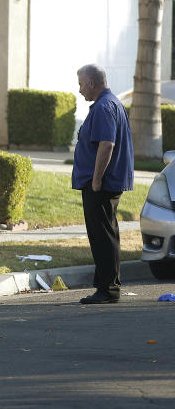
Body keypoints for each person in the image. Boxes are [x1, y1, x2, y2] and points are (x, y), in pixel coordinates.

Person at [72, 64, 134, 305]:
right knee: (107, 233)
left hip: (101, 184)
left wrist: (96, 179)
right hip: (105, 182)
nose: (79, 90)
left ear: (91, 83)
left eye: (80, 84)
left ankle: (108, 289)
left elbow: (107, 144)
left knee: (102, 236)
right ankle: (107, 285)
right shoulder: (112, 103)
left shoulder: (103, 107)